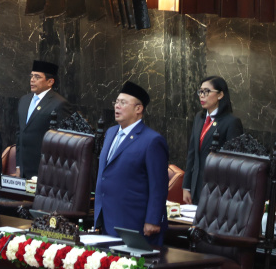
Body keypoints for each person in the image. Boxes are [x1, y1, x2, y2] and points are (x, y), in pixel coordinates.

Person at [94, 81, 168, 245]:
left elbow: (159, 185)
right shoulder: (111, 132)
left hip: (134, 222)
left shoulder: (152, 141)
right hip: (106, 217)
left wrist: (153, 219)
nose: (117, 107)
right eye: (116, 102)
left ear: (138, 109)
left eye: (123, 103)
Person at [183, 76, 243, 205]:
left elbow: (233, 161)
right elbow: (192, 154)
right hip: (195, 188)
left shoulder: (231, 122)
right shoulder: (199, 118)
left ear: (220, 95)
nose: (202, 96)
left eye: (206, 91)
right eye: (200, 92)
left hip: (216, 190)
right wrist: (186, 186)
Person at [16, 59, 71, 178]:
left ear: (50, 81)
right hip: (24, 168)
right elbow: (20, 134)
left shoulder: (59, 103)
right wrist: (18, 166)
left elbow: (63, 141)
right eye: (31, 76)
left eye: (37, 77)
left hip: (45, 168)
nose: (32, 80)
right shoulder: (24, 101)